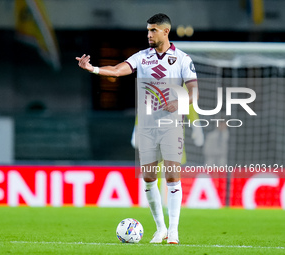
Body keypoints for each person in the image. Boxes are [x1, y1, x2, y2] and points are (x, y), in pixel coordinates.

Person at [76, 13, 198, 244]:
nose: (149, 34)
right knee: (149, 178)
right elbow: (117, 70)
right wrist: (93, 69)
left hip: (171, 124)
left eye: (153, 30)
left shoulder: (182, 59)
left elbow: (194, 92)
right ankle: (160, 228)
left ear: (165, 31)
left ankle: (173, 231)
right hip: (147, 126)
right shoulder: (142, 57)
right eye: (148, 30)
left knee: (172, 175)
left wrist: (179, 102)